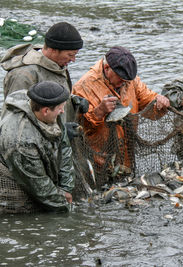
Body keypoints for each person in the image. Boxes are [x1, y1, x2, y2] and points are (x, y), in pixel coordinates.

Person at [72, 46, 170, 172]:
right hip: (99, 160)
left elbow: (148, 102)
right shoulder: (83, 86)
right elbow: (80, 128)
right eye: (121, 80)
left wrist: (159, 102)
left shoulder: (130, 80)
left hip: (126, 154)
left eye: (126, 81)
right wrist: (99, 111)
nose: (123, 84)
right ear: (107, 68)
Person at [0, 81, 75, 212]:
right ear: (45, 111)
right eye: (60, 108)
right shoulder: (20, 140)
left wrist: (66, 188)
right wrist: (67, 207)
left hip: (35, 170)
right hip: (13, 186)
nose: (63, 111)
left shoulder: (49, 111)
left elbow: (64, 147)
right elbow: (40, 186)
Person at [0, 22, 88, 122]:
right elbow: (17, 119)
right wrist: (62, 131)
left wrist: (72, 102)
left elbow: (47, 100)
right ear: (53, 50)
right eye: (70, 55)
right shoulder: (23, 75)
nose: (73, 60)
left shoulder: (57, 65)